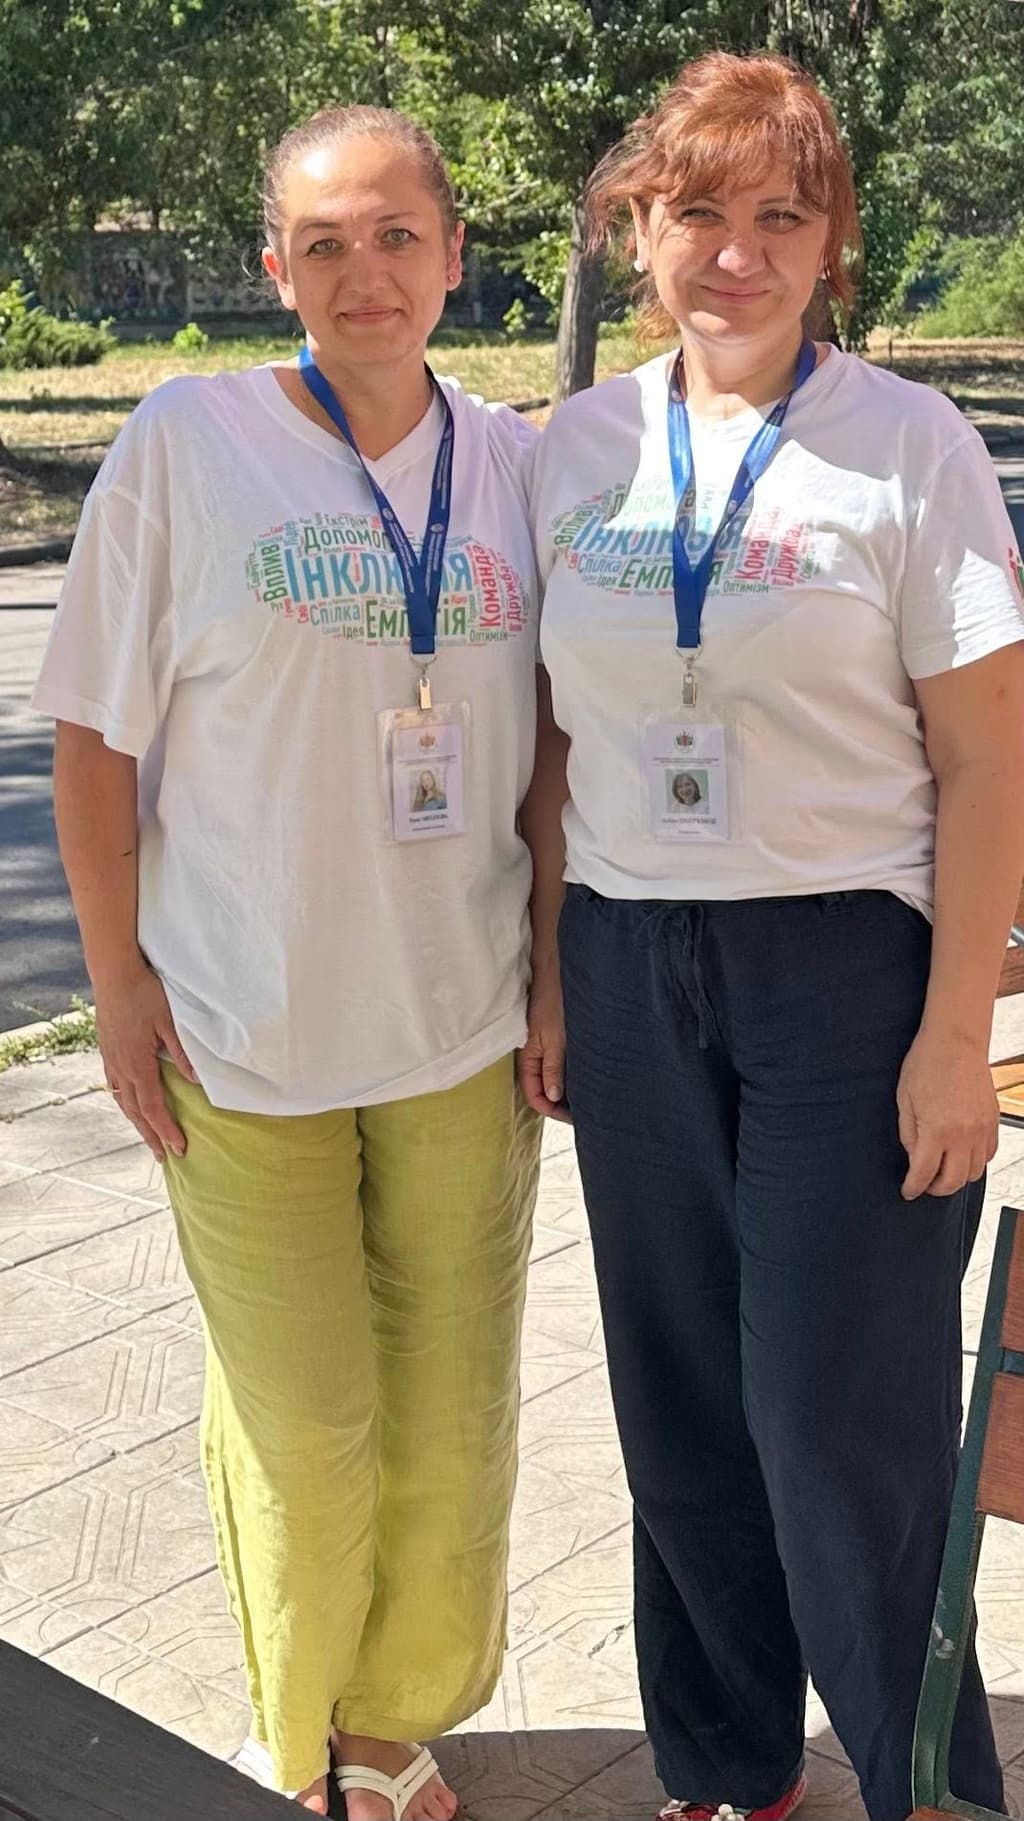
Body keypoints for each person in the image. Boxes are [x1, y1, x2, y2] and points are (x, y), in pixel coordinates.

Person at [519, 50, 1024, 1821]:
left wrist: (955, 1032)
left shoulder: (908, 444)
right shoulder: (567, 447)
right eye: (698, 212)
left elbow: (985, 759)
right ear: (636, 228)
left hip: (846, 974)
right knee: (680, 1400)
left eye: (779, 217)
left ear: (833, 248)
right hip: (628, 959)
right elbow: (556, 739)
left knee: (837, 1413)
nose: (736, 251)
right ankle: (730, 1760)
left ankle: (920, 1777)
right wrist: (545, 977)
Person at [34, 104, 542, 1821]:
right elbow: (95, 740)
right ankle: (297, 1727)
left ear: (456, 253)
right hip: (240, 1022)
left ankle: (398, 1717)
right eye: (323, 244)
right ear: (274, 270)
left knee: (455, 1412)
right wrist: (117, 985)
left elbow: (548, 749)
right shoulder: (187, 444)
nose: (363, 274)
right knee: (308, 1422)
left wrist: (552, 972)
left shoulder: (518, 461)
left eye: (396, 235)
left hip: (460, 1020)